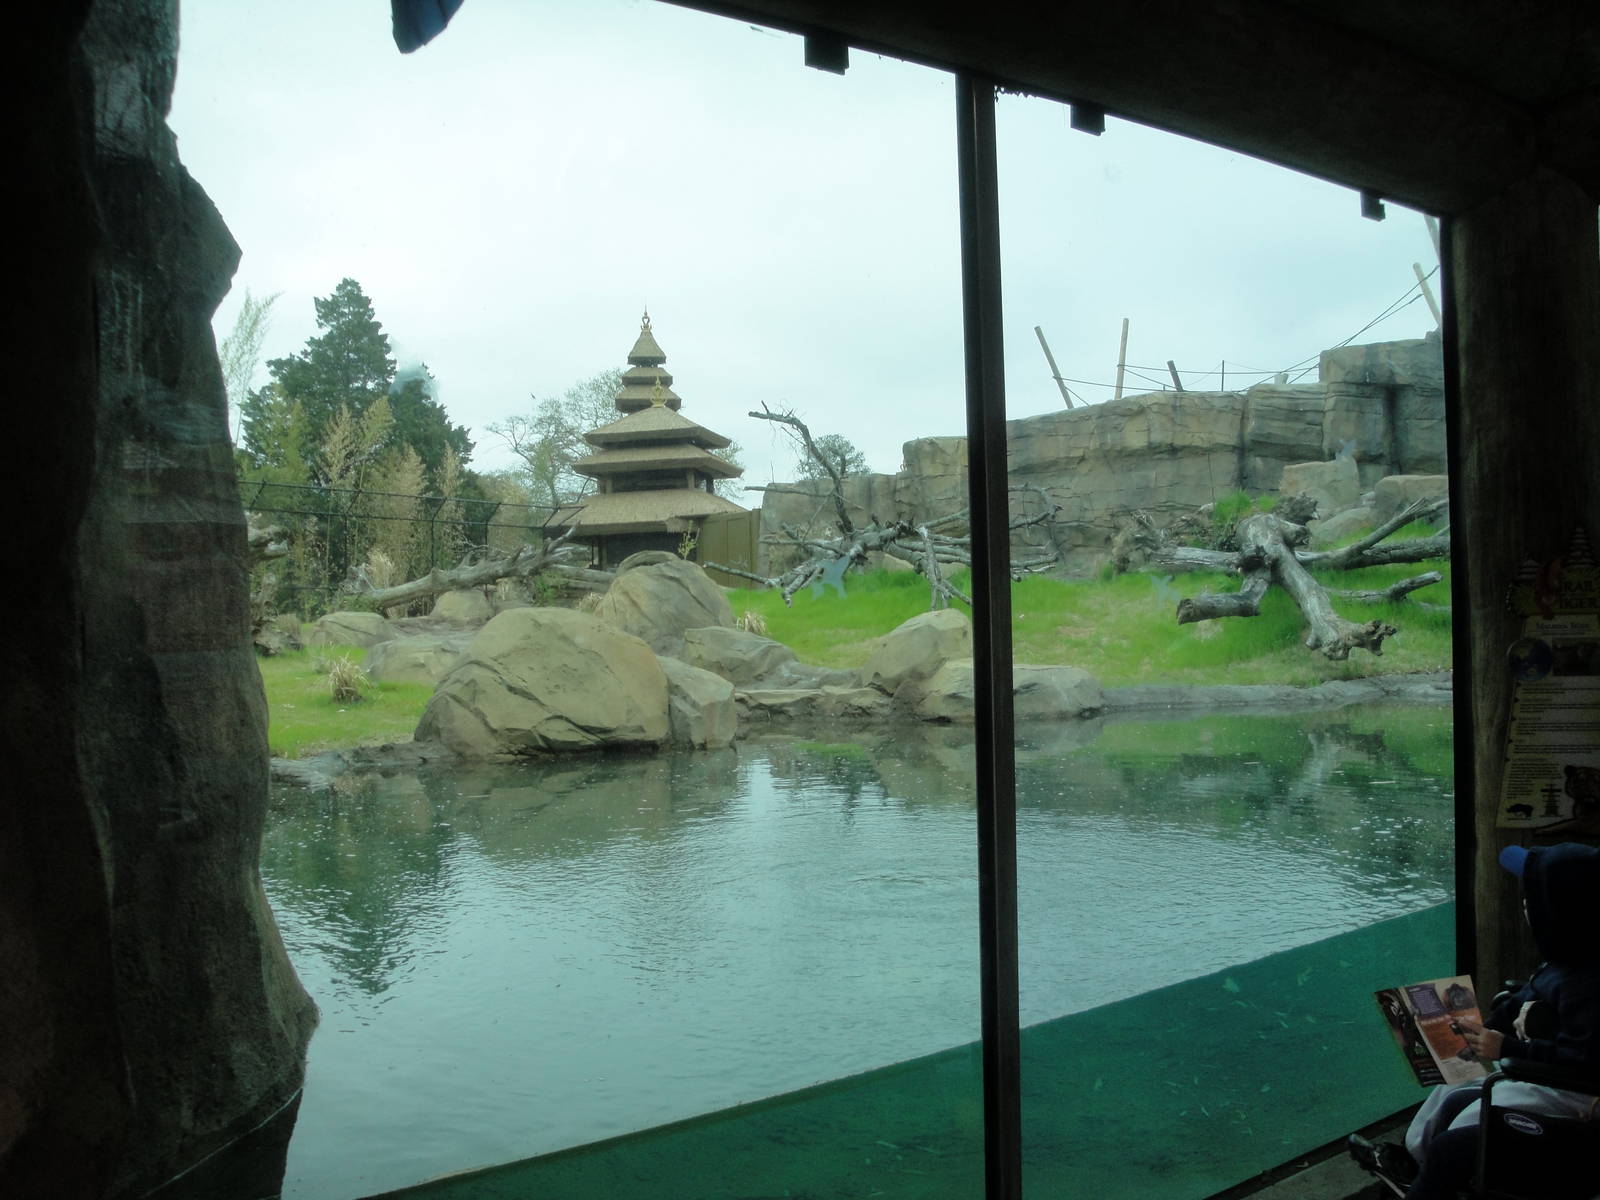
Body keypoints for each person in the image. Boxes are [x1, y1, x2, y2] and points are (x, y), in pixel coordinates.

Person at [1349, 841, 1600, 1198]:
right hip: (1539, 1069)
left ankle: (1429, 1174)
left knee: (1459, 1129)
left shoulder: (1588, 984)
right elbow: (1523, 997)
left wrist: (1506, 1046)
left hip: (1570, 1090)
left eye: (1533, 898)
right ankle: (1414, 1163)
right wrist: (1482, 1025)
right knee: (1451, 1090)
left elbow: (1585, 1059)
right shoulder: (1563, 960)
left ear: (1561, 910)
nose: (1526, 905)